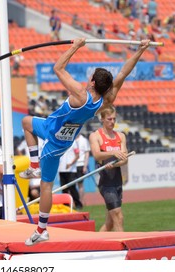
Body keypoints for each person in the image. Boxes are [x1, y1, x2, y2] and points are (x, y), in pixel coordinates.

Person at [19, 38, 150, 245]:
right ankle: (34, 166)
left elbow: (58, 67)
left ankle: (42, 229)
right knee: (26, 122)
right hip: (52, 128)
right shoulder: (105, 101)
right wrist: (140, 50)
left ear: (92, 82)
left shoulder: (81, 95)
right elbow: (124, 73)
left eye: (91, 77)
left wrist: (75, 47)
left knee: (46, 186)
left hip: (54, 141)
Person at [89, 106, 128, 232]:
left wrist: (115, 164)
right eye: (109, 119)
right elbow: (96, 154)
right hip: (105, 182)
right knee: (118, 215)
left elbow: (124, 158)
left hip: (117, 181)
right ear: (102, 119)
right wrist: (113, 153)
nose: (112, 122)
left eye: (114, 119)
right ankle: (123, 246)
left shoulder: (120, 136)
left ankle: (95, 244)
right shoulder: (96, 136)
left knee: (110, 223)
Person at [58, 140, 83, 209]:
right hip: (61, 169)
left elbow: (77, 155)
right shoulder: (59, 142)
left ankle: (78, 204)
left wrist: (71, 164)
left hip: (71, 170)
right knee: (64, 188)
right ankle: (66, 205)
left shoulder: (73, 142)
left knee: (72, 188)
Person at [75, 133, 91, 206]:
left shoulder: (84, 140)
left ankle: (81, 200)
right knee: (71, 185)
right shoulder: (71, 139)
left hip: (80, 164)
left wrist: (85, 165)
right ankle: (74, 201)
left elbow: (87, 153)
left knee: (80, 184)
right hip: (72, 166)